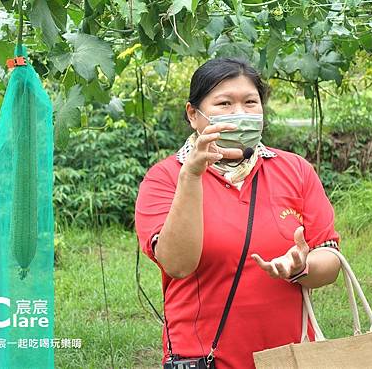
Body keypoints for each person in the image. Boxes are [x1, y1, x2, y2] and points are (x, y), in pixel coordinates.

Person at [134, 58, 341, 368]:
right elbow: (177, 265)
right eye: (224, 103)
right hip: (205, 359)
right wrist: (191, 175)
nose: (240, 114)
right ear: (194, 114)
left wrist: (300, 266)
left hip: (289, 358)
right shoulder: (165, 178)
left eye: (250, 102)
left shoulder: (295, 170)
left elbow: (331, 260)